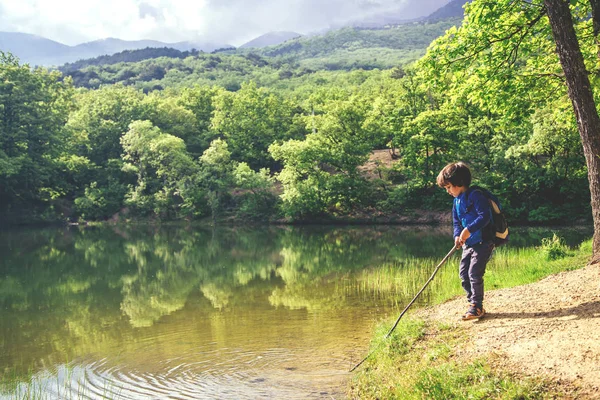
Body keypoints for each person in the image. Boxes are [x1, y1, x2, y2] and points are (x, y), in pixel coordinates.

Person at [436, 162, 494, 320]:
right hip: (468, 244)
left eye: (448, 187)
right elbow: (456, 222)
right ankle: (473, 304)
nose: (448, 191)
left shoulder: (475, 195)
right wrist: (457, 235)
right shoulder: (456, 201)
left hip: (483, 242)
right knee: (464, 274)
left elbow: (485, 216)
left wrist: (468, 230)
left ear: (459, 183)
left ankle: (477, 306)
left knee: (474, 273)